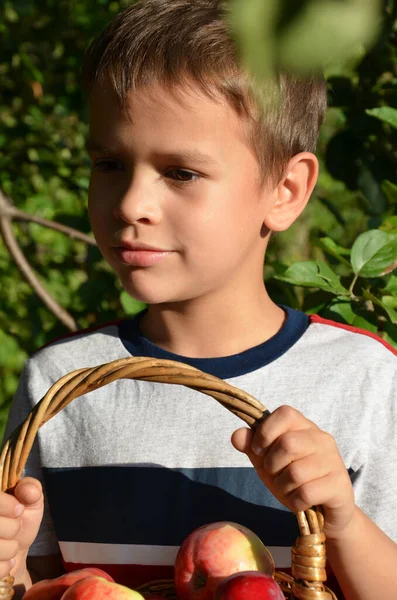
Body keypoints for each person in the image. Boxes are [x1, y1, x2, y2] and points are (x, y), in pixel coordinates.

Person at [1, 1, 396, 599]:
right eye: (108, 163)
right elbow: (48, 586)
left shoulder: (360, 378)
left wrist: (340, 518)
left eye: (181, 172)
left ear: (286, 191)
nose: (131, 203)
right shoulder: (59, 382)